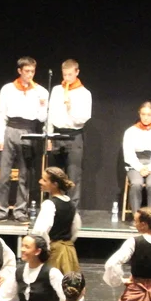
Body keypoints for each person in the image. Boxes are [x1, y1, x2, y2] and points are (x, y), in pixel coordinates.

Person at [0, 57, 49, 222]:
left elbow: (42, 118)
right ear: (19, 71)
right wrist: (0, 136)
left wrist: (41, 104)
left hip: (29, 130)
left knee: (25, 173)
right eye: (27, 71)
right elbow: (1, 114)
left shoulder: (41, 91)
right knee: (4, 173)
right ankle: (1, 209)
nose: (30, 75)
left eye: (32, 71)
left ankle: (20, 210)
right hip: (10, 129)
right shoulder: (8, 89)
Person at [46, 59, 92, 203]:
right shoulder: (56, 90)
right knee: (54, 175)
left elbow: (83, 119)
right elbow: (50, 114)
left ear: (77, 72)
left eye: (70, 75)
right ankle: (55, 206)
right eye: (64, 75)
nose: (67, 78)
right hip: (57, 135)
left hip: (74, 135)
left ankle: (72, 209)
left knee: (73, 174)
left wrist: (70, 107)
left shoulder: (84, 93)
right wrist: (49, 136)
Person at [31, 167, 81, 274]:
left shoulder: (49, 204)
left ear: (55, 184)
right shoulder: (70, 204)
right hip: (69, 251)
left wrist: (45, 249)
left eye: (44, 180)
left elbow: (40, 231)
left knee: (52, 279)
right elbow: (76, 228)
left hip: (55, 252)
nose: (40, 181)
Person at [122, 101, 151, 216]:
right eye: (143, 114)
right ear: (139, 114)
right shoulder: (131, 131)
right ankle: (136, 216)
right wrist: (140, 168)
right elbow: (128, 154)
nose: (146, 117)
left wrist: (150, 168)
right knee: (136, 183)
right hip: (135, 165)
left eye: (149, 115)